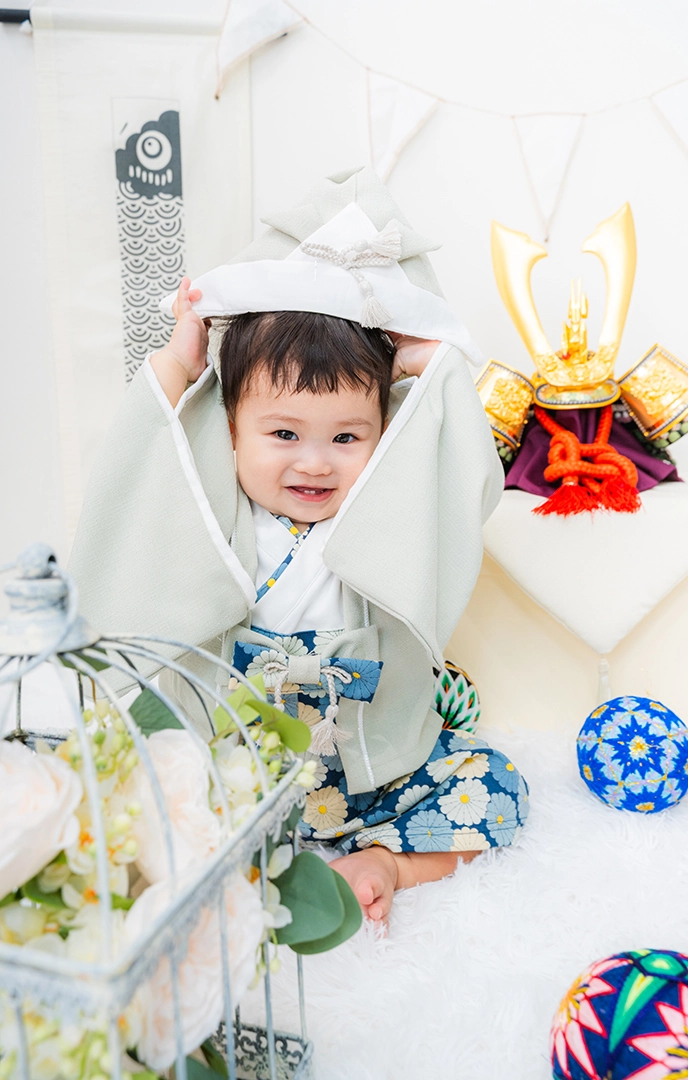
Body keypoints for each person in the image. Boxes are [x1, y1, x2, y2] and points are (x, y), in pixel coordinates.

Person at [69, 166, 529, 923]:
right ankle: (234, 867)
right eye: (283, 434)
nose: (315, 463)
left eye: (347, 437)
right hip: (236, 762)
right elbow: (141, 468)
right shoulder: (210, 506)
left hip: (364, 769)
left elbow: (462, 473)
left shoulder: (386, 510)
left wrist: (430, 361)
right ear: (229, 426)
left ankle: (388, 863)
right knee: (126, 798)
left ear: (384, 432)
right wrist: (179, 364)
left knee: (498, 788)